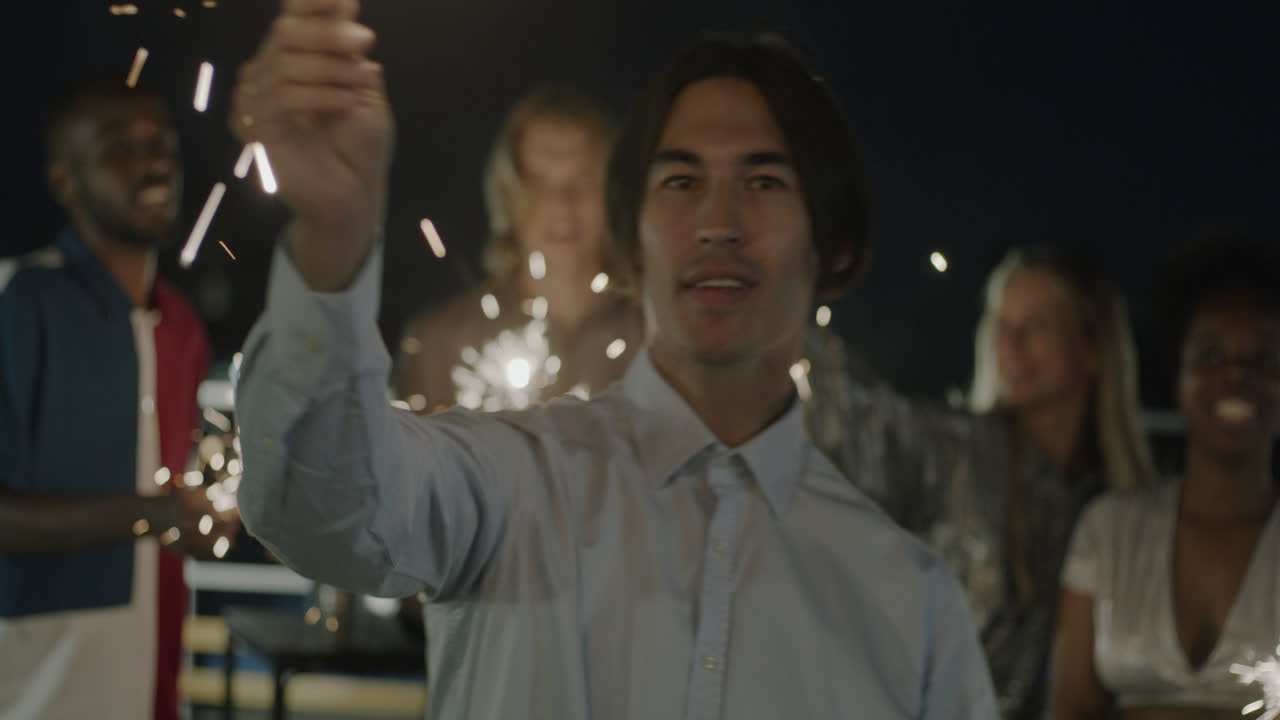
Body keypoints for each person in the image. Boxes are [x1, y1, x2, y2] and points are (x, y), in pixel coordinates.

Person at [229, 1, 998, 717]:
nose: (717, 222)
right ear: (631, 238)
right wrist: (333, 239)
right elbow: (320, 507)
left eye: (763, 180)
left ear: (836, 246)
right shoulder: (509, 487)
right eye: (682, 180)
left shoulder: (910, 602)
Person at [807, 246, 1155, 719]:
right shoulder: (959, 452)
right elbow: (862, 427)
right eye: (1000, 324)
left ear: (1093, 348)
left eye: (1035, 326)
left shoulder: (1124, 507)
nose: (1010, 346)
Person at [0, 79, 239, 719]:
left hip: (154, 687)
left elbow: (170, 500)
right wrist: (156, 514)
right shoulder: (22, 303)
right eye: (118, 148)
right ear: (65, 181)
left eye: (160, 143)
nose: (155, 161)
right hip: (33, 690)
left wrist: (201, 519)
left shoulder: (183, 326)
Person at [1049, 233, 1280, 720]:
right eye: (1211, 355)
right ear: (1177, 379)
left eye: (1264, 358)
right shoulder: (1110, 530)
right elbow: (1070, 707)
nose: (1236, 375)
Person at [395, 86, 643, 413]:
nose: (561, 204)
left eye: (583, 180)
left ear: (613, 192)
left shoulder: (658, 339)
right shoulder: (441, 342)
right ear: (507, 193)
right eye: (538, 183)